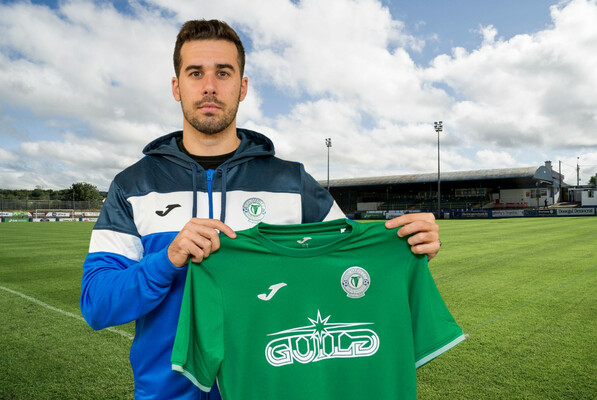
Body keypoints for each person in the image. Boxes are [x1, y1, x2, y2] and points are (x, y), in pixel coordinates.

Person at [81, 19, 441, 400]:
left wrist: (408, 246)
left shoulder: (292, 183)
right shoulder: (132, 186)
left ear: (243, 86)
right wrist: (167, 260)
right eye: (195, 73)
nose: (209, 86)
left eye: (223, 73)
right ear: (177, 87)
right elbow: (97, 303)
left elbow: (351, 267)